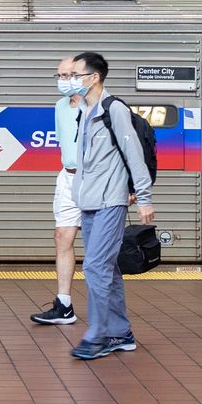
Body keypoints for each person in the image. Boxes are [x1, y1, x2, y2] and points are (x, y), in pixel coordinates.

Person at [68, 52, 155, 361]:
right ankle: (120, 332)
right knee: (108, 268)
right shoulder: (86, 110)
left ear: (94, 77)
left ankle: (99, 335)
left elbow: (134, 153)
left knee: (94, 266)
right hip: (89, 201)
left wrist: (143, 196)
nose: (70, 80)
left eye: (76, 74)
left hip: (110, 200)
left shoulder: (113, 108)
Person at [31, 58, 84, 326]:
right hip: (68, 177)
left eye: (69, 75)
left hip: (97, 181)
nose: (63, 80)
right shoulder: (60, 106)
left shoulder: (101, 106)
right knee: (62, 236)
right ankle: (64, 304)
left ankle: (107, 308)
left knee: (100, 246)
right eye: (60, 75)